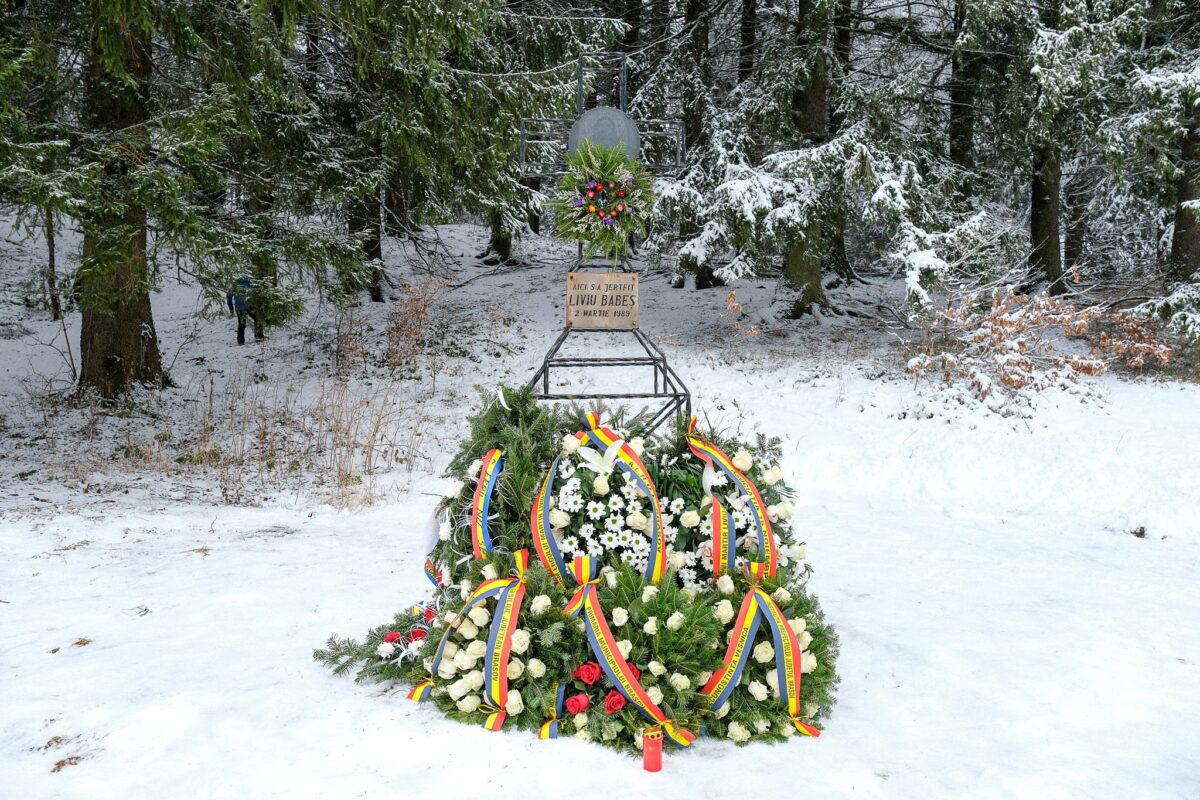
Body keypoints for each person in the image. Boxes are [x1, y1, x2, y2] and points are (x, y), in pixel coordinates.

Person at [226, 277, 264, 345]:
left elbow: (229, 298)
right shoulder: (250, 282)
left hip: (239, 307)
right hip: (249, 306)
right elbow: (255, 295)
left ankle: (240, 341)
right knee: (257, 319)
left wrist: (231, 309)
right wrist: (254, 306)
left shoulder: (234, 285)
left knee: (241, 324)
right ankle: (259, 336)